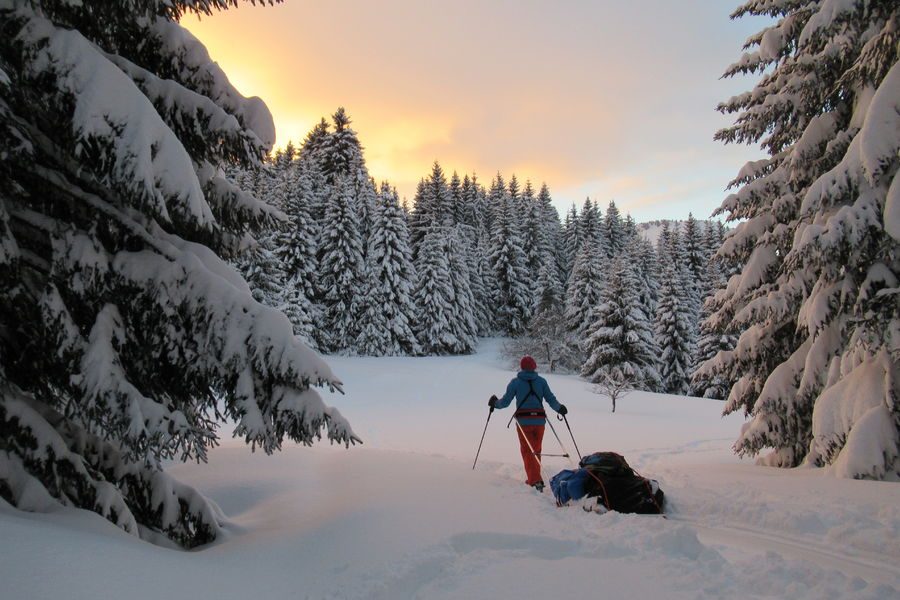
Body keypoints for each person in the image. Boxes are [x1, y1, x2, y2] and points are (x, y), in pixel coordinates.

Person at [490, 356, 567, 492]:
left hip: (523, 422)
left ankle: (535, 481)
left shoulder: (515, 383)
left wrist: (494, 403)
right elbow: (551, 399)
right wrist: (560, 408)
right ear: (534, 367)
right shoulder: (542, 382)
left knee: (527, 450)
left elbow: (505, 403)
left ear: (522, 367)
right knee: (536, 449)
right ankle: (535, 478)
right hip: (540, 421)